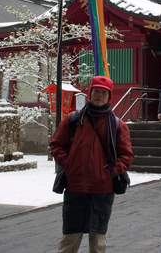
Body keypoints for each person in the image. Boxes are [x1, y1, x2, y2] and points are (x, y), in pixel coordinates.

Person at [50, 76, 134, 253]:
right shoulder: (73, 120)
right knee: (69, 240)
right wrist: (69, 163)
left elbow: (126, 156)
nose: (99, 95)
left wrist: (111, 172)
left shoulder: (118, 126)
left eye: (103, 93)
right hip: (75, 187)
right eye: (96, 91)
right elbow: (56, 145)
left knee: (98, 242)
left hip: (102, 190)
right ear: (90, 93)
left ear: (109, 96)